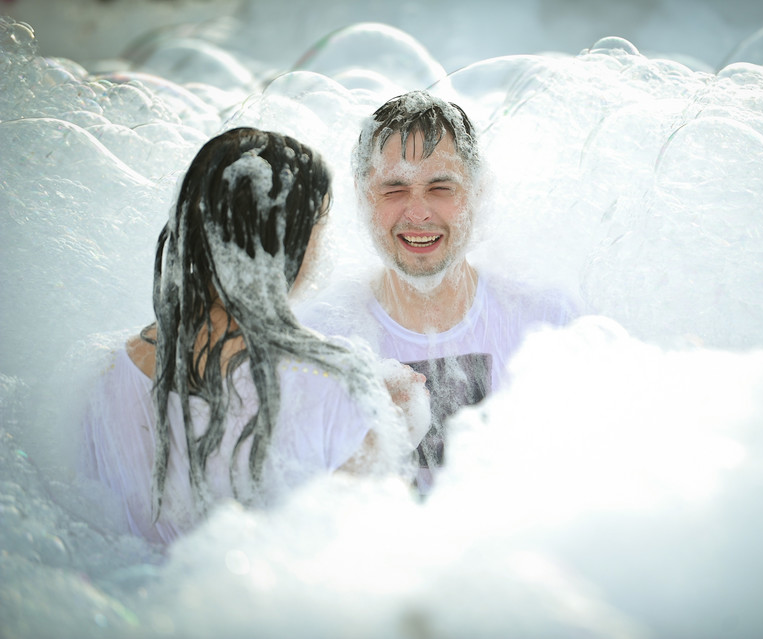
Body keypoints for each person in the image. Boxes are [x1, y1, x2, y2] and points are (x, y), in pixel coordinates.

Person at [78, 127, 429, 544]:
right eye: (320, 224)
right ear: (288, 240)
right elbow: (375, 555)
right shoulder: (338, 391)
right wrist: (389, 427)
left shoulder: (104, 375)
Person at [297, 92, 578, 493]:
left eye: (440, 187)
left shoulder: (549, 323)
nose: (417, 212)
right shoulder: (320, 341)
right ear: (362, 197)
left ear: (477, 192)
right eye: (394, 189)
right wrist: (367, 449)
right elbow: (293, 516)